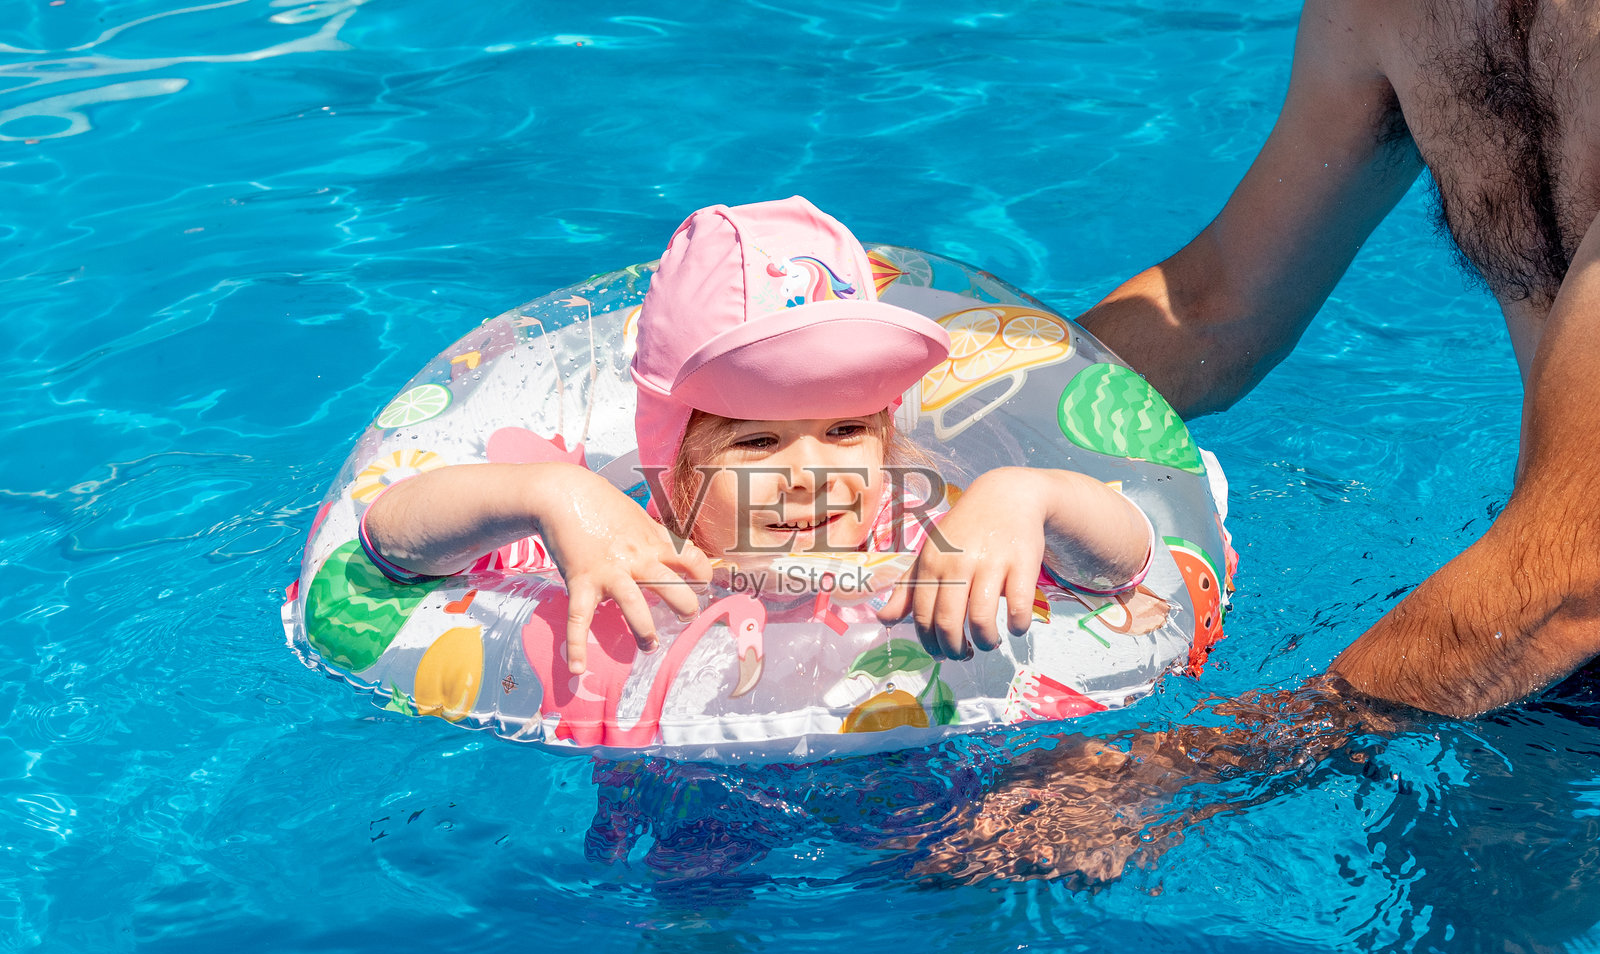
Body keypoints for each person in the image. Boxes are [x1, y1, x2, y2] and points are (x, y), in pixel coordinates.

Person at [361, 196, 1154, 675]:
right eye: (757, 443)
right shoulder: (619, 544)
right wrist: (551, 495)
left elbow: (1120, 567)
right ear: (674, 462)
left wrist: (1024, 499)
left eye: (846, 429)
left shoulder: (920, 538)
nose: (812, 474)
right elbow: (393, 545)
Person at [1075, 0, 1600, 719]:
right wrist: (965, 405)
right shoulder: (1398, 12)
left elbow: (1576, 573)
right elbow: (1213, 308)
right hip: (1518, 632)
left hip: (1548, 598)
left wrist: (1201, 762)